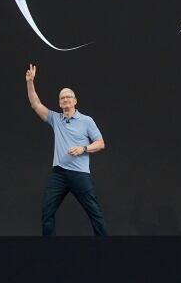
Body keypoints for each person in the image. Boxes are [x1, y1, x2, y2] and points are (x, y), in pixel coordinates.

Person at [25, 64, 108, 236]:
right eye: (62, 98)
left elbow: (100, 143)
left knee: (95, 213)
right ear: (59, 103)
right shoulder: (56, 119)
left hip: (79, 174)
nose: (65, 100)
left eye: (69, 97)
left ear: (75, 101)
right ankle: (49, 252)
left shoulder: (86, 121)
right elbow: (36, 104)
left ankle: (107, 248)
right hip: (59, 174)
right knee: (47, 211)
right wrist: (30, 82)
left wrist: (83, 148)